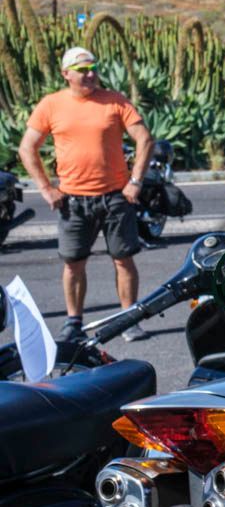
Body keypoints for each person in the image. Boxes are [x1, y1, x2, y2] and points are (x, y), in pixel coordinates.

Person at [18, 47, 153, 344]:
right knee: (73, 264)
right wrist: (45, 188)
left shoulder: (115, 101)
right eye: (82, 69)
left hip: (116, 197)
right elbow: (27, 147)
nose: (90, 74)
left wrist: (136, 182)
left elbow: (143, 138)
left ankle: (128, 319)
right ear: (66, 74)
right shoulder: (51, 105)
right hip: (73, 200)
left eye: (93, 68)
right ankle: (73, 322)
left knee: (123, 260)